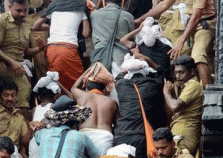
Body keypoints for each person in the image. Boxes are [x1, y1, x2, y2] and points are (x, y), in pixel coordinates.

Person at [139, 0, 216, 88]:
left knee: (198, 57)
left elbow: (197, 16)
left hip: (205, 25)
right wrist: (140, 20)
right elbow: (165, 4)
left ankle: (210, 97)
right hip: (189, 26)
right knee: (175, 59)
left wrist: (181, 40)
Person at [0, 0, 46, 108]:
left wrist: (40, 48)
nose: (22, 14)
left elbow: (26, 51)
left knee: (25, 90)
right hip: (2, 64)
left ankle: (18, 118)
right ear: (9, 7)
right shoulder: (1, 21)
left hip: (17, 68)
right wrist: (11, 62)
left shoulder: (27, 24)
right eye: (18, 10)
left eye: (25, 10)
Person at [113, 23, 171, 158]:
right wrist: (148, 60)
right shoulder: (153, 84)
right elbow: (162, 74)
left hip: (121, 135)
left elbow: (120, 73)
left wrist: (133, 59)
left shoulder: (121, 84)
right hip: (142, 136)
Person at [32, 0, 90, 90]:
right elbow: (86, 33)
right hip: (68, 48)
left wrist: (52, 28)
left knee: (56, 83)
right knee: (77, 85)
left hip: (51, 49)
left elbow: (35, 26)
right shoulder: (82, 5)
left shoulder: (55, 4)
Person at [30, 96, 101, 158]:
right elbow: (98, 156)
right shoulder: (81, 136)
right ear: (75, 122)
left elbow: (36, 130)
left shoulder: (43, 134)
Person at [71, 67, 118, 155]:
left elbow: (73, 88)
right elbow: (116, 125)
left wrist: (88, 71)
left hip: (85, 135)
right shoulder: (112, 102)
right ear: (103, 90)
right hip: (105, 137)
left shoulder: (82, 96)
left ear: (86, 88)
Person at [91, 0, 134, 75]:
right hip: (120, 60)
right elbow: (131, 39)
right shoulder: (127, 16)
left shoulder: (95, 15)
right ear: (121, 0)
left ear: (104, 0)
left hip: (99, 59)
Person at [163, 56, 203, 156]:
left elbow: (174, 106)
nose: (178, 76)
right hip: (180, 132)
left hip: (185, 134)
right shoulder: (184, 87)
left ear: (192, 72)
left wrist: (166, 93)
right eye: (176, 73)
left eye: (181, 72)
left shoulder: (193, 85)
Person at [0, 79, 29, 158]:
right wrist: (1, 151)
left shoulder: (20, 116)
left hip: (13, 151)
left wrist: (29, 126)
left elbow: (24, 142)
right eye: (6, 95)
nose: (10, 98)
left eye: (13, 95)